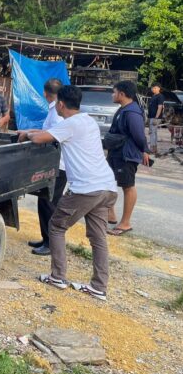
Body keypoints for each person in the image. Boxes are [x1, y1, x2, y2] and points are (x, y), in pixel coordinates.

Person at [18, 85, 117, 301]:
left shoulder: (69, 124)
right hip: (106, 187)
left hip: (86, 188)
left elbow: (38, 139)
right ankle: (99, 286)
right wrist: (30, 132)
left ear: (61, 104)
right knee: (98, 237)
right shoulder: (87, 120)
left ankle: (57, 276)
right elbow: (47, 134)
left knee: (56, 226)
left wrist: (26, 134)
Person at [26, 78, 68, 256]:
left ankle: (51, 243)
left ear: (45, 93)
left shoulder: (57, 112)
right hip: (53, 163)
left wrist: (31, 135)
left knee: (49, 203)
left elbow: (54, 135)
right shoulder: (54, 109)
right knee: (44, 201)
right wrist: (30, 132)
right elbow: (48, 132)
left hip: (58, 165)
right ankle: (46, 238)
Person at [106, 81, 151, 236]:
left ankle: (125, 223)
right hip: (116, 152)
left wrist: (144, 150)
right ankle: (110, 214)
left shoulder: (132, 112)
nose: (112, 95)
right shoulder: (123, 109)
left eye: (114, 92)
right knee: (106, 180)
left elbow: (139, 135)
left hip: (126, 155)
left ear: (122, 94)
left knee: (128, 186)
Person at [148, 82, 165, 155]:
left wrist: (156, 117)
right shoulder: (153, 96)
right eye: (152, 88)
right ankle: (154, 148)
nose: (153, 89)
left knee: (152, 132)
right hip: (151, 117)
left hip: (156, 117)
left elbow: (160, 107)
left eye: (154, 88)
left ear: (158, 88)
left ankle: (152, 148)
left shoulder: (160, 96)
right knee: (154, 132)